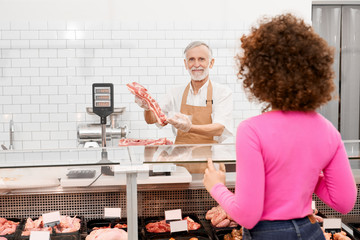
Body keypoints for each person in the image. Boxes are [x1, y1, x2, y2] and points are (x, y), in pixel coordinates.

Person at [203, 13, 357, 240]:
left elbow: (247, 216)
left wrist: (216, 186)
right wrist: (306, 175)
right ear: (316, 73)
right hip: (311, 232)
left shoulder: (251, 131)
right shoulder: (327, 130)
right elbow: (344, 202)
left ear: (259, 74)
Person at [135, 41, 233, 144]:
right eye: (191, 59)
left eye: (201, 59)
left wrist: (189, 128)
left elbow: (219, 128)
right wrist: (147, 107)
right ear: (186, 64)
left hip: (210, 155)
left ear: (211, 63)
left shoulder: (223, 92)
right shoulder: (174, 92)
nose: (196, 64)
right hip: (181, 155)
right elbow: (152, 120)